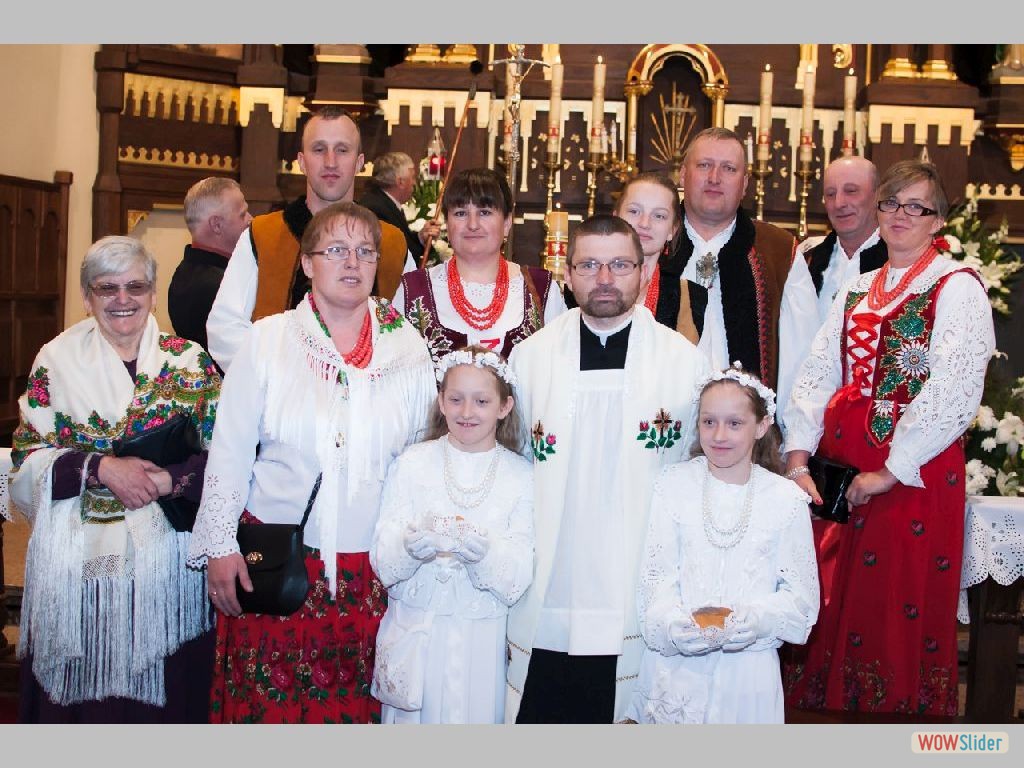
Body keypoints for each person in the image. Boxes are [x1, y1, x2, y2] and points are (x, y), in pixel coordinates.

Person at [188, 201, 436, 723]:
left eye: (365, 252)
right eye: (336, 250)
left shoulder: (407, 347)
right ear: (307, 263)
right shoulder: (268, 339)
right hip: (281, 562)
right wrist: (220, 547)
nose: (353, 262)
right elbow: (230, 450)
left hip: (373, 572)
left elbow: (422, 457)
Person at [782, 160, 995, 716]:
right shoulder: (858, 288)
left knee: (894, 597)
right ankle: (828, 720)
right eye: (892, 203)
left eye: (917, 206)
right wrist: (798, 455)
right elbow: (819, 370)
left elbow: (954, 387)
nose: (902, 215)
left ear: (938, 219)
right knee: (834, 593)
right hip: (843, 465)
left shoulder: (956, 286)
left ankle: (892, 721)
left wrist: (890, 471)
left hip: (913, 471)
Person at [506, 214, 712, 724]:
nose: (603, 278)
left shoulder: (683, 362)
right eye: (589, 265)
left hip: (637, 567)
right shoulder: (530, 358)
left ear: (644, 271)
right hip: (553, 569)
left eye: (619, 265)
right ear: (567, 273)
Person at [10, 235, 221, 722]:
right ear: (87, 297)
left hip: (168, 571)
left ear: (153, 294)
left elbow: (226, 458)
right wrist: (99, 468)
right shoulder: (56, 361)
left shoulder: (189, 361)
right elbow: (25, 457)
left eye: (135, 287)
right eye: (107, 288)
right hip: (81, 572)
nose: (122, 299)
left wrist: (168, 481)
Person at [625, 364, 818, 724]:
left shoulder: (786, 500)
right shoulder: (673, 485)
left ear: (761, 426)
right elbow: (655, 582)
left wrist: (754, 621)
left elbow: (802, 604)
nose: (719, 435)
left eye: (734, 423)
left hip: (747, 678)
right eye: (709, 421)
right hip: (676, 675)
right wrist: (673, 626)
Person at [370, 346, 533, 724]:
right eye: (456, 399)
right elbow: (383, 561)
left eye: (481, 401)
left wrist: (485, 555)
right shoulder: (411, 464)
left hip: (480, 643)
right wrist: (408, 547)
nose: (467, 412)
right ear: (441, 401)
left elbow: (518, 577)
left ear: (504, 406)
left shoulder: (522, 477)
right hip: (416, 636)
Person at [206, 106, 414, 372]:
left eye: (342, 149)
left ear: (360, 162)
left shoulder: (392, 242)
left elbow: (406, 333)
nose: (330, 161)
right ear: (302, 161)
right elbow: (225, 328)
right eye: (319, 149)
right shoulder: (263, 235)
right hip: (281, 389)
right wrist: (284, 377)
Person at [666, 127, 818, 434]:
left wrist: (793, 441)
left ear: (745, 183)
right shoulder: (650, 243)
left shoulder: (778, 251)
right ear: (682, 175)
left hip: (750, 441)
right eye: (704, 165)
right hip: (661, 431)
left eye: (729, 168)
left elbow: (805, 362)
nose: (715, 178)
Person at [394, 167, 567, 361]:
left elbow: (562, 366)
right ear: (447, 224)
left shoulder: (541, 290)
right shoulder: (413, 290)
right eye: (460, 213)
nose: (473, 224)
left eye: (484, 212)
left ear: (507, 222)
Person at [564, 172, 682, 330]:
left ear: (673, 230)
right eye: (634, 211)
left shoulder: (690, 299)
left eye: (659, 216)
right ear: (616, 217)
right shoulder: (573, 290)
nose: (644, 223)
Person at [798, 157, 887, 324]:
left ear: (877, 195)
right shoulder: (806, 258)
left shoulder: (899, 263)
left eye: (851, 191)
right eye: (830, 194)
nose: (838, 203)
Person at [168, 176, 252, 351]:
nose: (251, 219)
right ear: (216, 225)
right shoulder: (217, 286)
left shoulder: (185, 272)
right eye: (243, 214)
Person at [359, 151, 441, 265]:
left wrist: (421, 237)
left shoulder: (384, 202)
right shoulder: (376, 209)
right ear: (401, 182)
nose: (414, 183)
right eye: (412, 177)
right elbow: (400, 254)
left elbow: (403, 241)